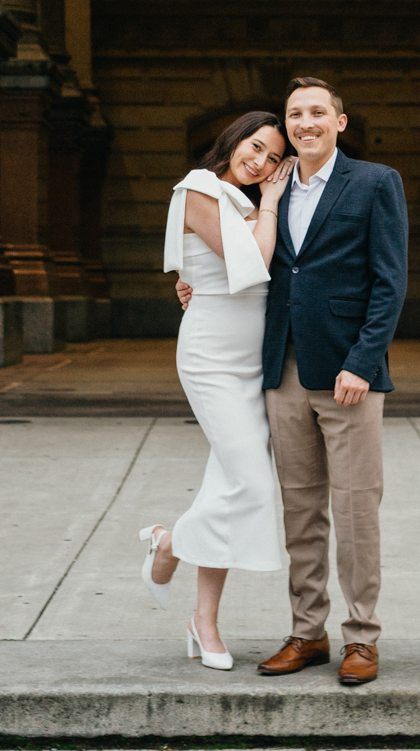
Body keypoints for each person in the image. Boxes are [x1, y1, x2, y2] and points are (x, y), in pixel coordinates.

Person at [177, 76, 408, 687]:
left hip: (347, 375)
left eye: (316, 113)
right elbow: (243, 263)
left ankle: (361, 638)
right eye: (294, 115)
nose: (304, 124)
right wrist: (188, 282)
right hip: (279, 371)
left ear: (339, 122)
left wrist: (362, 362)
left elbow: (390, 282)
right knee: (300, 512)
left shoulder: (376, 182)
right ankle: (308, 632)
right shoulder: (264, 194)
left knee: (356, 509)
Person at [138, 110, 293, 669]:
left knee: (227, 485)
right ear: (232, 141)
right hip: (210, 356)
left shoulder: (250, 204)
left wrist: (267, 205)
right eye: (255, 147)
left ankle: (203, 620)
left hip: (254, 359)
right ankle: (169, 542)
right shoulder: (201, 186)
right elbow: (250, 264)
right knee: (250, 483)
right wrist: (273, 202)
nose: (261, 162)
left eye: (274, 157)